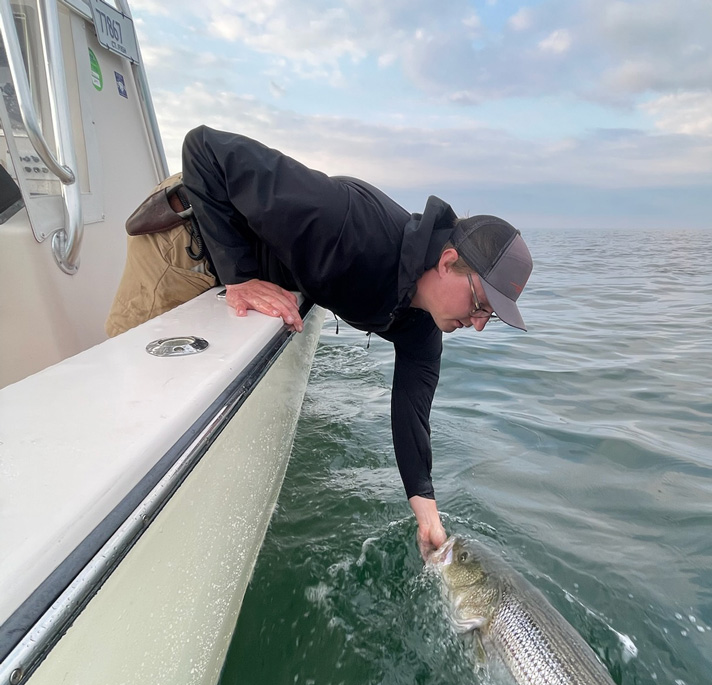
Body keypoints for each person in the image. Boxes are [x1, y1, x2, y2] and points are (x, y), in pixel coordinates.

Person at [107, 126, 533, 556]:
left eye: (489, 316)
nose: (479, 324)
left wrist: (427, 516)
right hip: (187, 235)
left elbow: (411, 411)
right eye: (479, 303)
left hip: (235, 250)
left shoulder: (422, 327)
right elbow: (205, 149)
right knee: (132, 399)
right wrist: (240, 278)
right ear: (447, 261)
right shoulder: (349, 223)